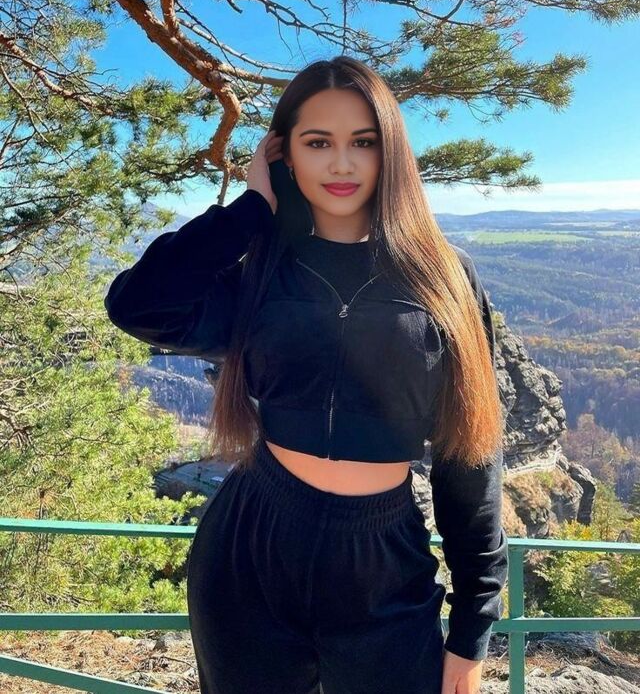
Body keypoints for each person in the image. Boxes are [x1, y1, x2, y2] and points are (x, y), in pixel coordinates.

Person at [104, 56, 508, 694]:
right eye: (318, 142)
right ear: (284, 154)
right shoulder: (264, 268)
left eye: (363, 142)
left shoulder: (443, 276)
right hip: (252, 549)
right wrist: (250, 210)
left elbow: (472, 452)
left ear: (390, 152)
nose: (341, 164)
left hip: (383, 563)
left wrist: (472, 628)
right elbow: (138, 304)